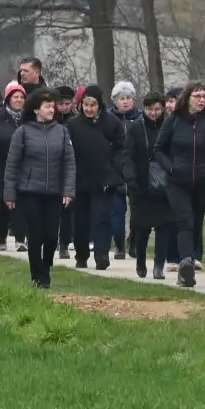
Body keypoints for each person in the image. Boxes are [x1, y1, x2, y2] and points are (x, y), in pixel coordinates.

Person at [3, 92, 76, 288]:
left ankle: (47, 267)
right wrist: (9, 193)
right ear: (36, 110)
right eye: (47, 106)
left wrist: (68, 191)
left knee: (52, 236)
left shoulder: (62, 132)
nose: (52, 110)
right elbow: (12, 165)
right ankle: (38, 275)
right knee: (35, 235)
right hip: (29, 192)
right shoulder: (22, 132)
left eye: (53, 106)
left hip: (54, 192)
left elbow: (69, 163)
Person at [154, 82, 205, 288]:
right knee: (184, 220)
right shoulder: (174, 121)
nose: (201, 100)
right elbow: (158, 150)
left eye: (204, 96)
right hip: (177, 181)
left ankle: (188, 258)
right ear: (187, 98)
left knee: (196, 222)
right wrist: (171, 168)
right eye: (197, 96)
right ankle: (186, 263)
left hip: (201, 181)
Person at [65, 85, 125, 269]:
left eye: (93, 105)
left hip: (104, 180)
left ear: (100, 105)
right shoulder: (73, 125)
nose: (89, 108)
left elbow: (121, 151)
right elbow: (67, 152)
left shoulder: (112, 123)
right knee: (80, 220)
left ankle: (101, 255)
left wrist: (113, 174)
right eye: (85, 104)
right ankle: (81, 255)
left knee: (101, 218)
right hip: (80, 179)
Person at [123, 93, 172, 278]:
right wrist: (130, 178)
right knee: (142, 227)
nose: (154, 113)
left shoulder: (169, 125)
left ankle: (159, 265)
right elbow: (127, 154)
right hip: (141, 183)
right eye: (150, 109)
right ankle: (141, 260)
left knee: (164, 226)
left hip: (164, 184)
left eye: (157, 109)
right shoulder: (136, 127)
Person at [0, 82, 30, 250]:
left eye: (21, 97)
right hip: (1, 166)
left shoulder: (30, 119)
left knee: (21, 205)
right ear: (8, 99)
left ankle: (20, 239)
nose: (19, 100)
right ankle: (2, 237)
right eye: (15, 97)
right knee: (2, 205)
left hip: (24, 167)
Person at [106, 82, 139, 258]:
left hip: (136, 169)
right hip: (116, 170)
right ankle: (119, 245)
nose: (125, 102)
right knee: (117, 211)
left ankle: (133, 242)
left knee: (137, 211)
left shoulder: (141, 118)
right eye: (121, 99)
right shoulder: (108, 119)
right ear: (115, 100)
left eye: (128, 98)